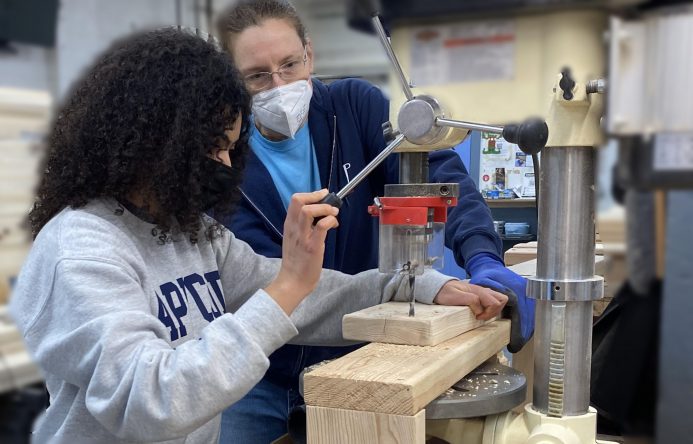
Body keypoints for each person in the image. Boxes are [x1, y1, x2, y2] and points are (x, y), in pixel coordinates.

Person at [8, 28, 508, 443]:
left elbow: (317, 298)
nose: (226, 165)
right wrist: (287, 285)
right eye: (212, 147)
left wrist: (422, 287)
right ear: (153, 143)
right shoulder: (81, 250)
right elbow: (155, 398)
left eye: (231, 147)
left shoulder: (193, 235)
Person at [215, 0, 535, 442]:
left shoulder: (355, 106)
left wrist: (483, 257)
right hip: (259, 372)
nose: (279, 84)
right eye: (257, 76)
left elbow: (443, 176)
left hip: (363, 358)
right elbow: (266, 283)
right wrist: (415, 285)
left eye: (290, 64)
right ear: (233, 81)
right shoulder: (222, 159)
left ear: (310, 54)